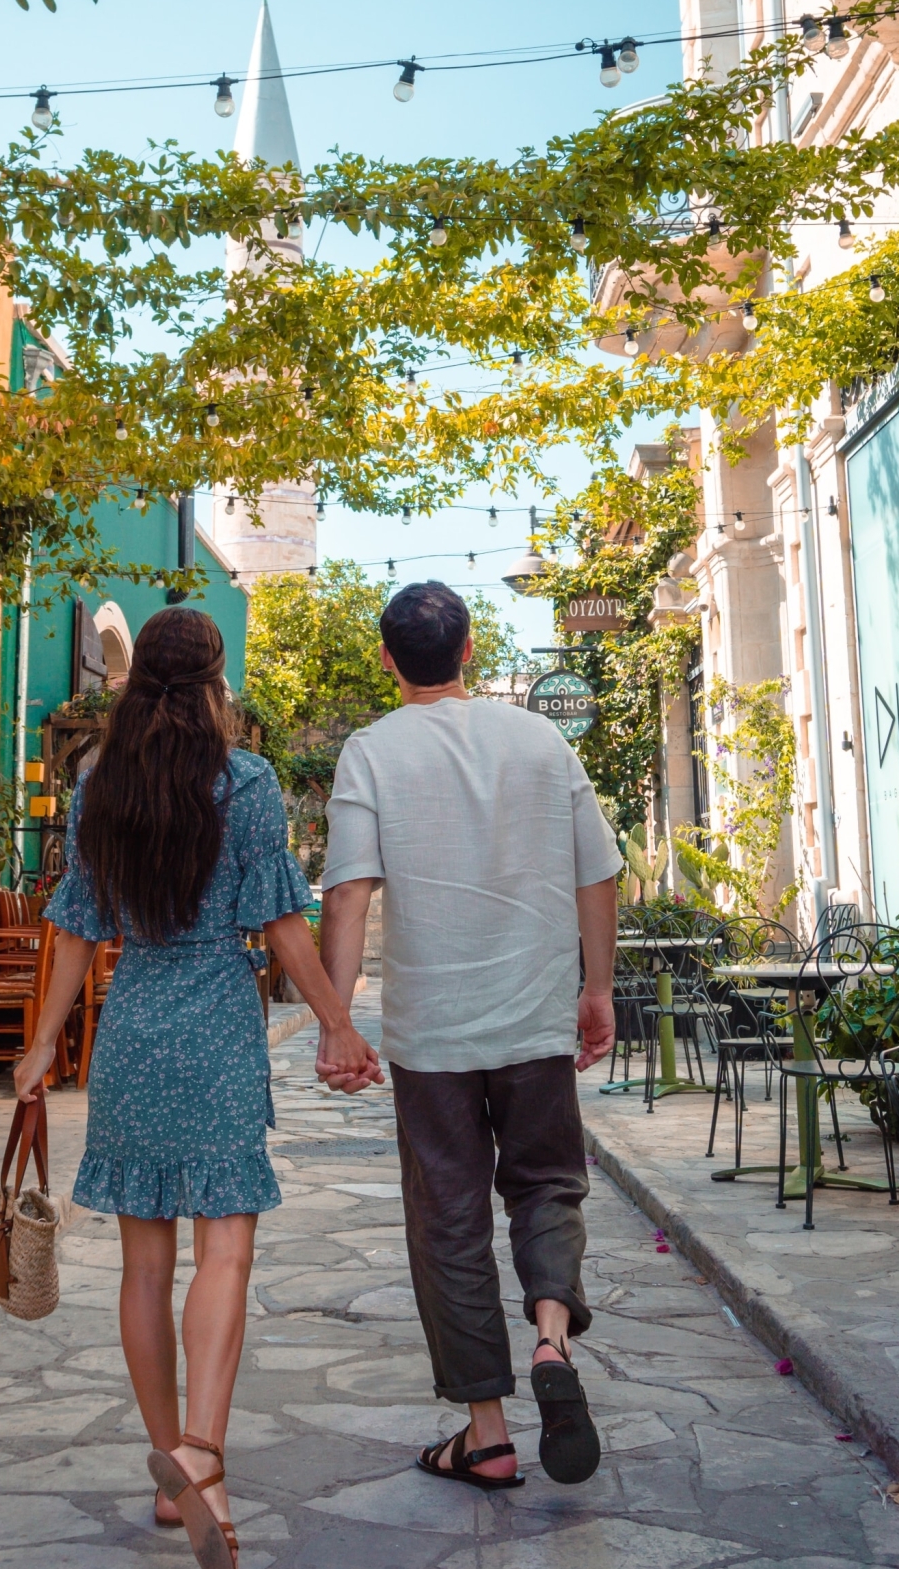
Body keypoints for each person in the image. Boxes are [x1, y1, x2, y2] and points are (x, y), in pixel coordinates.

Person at [15, 607, 378, 1569]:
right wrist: (337, 1022)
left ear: (137, 683)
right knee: (226, 1249)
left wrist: (45, 1042)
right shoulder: (246, 780)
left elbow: (78, 925)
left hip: (132, 1022)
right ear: (217, 681)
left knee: (143, 1263)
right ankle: (203, 1462)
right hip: (218, 1021)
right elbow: (282, 921)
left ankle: (168, 1462)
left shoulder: (100, 781)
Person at [316, 580, 621, 1491]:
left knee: (448, 1217)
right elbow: (599, 871)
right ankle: (553, 1339)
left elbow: (348, 891)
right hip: (532, 1017)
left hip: (433, 1035)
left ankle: (487, 1433)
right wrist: (596, 988)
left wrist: (339, 1021)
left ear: (385, 658)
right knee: (547, 1186)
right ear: (472, 648)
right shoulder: (539, 737)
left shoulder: (370, 752)